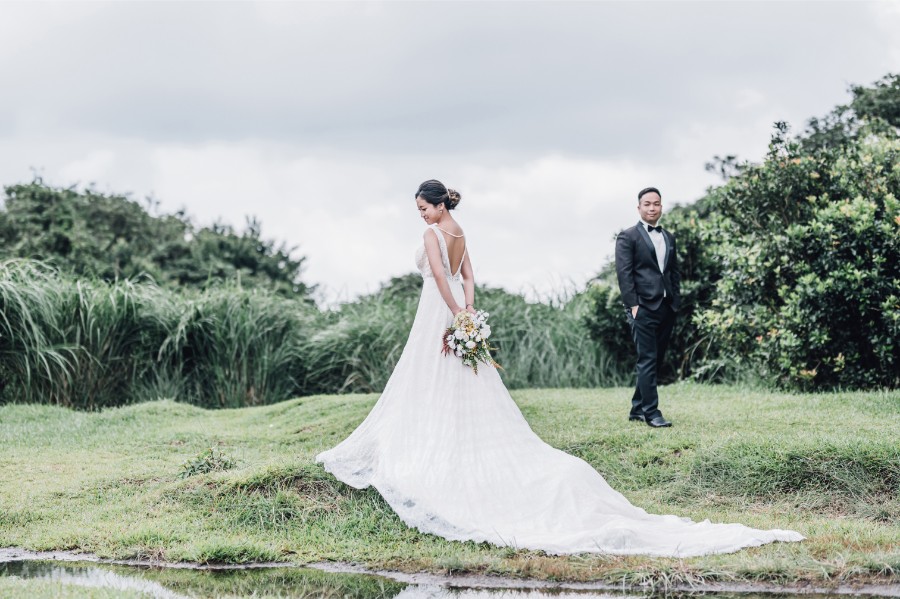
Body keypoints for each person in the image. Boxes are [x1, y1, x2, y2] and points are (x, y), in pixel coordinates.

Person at [316, 179, 803, 556]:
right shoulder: (460, 231)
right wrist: (467, 311)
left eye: (423, 207)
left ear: (438, 204)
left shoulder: (432, 232)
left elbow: (445, 276)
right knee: (450, 377)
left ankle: (420, 441)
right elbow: (469, 276)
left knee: (426, 373)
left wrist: (455, 314)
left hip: (434, 312)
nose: (419, 215)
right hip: (453, 311)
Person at [615, 187, 679, 428]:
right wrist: (633, 305)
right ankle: (652, 413)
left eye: (656, 204)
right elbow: (624, 274)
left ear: (661, 206)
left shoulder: (669, 237)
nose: (652, 208)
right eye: (647, 204)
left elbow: (673, 271)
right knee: (648, 359)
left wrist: (675, 301)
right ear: (639, 207)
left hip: (666, 306)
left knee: (656, 359)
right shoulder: (628, 236)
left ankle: (637, 409)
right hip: (642, 308)